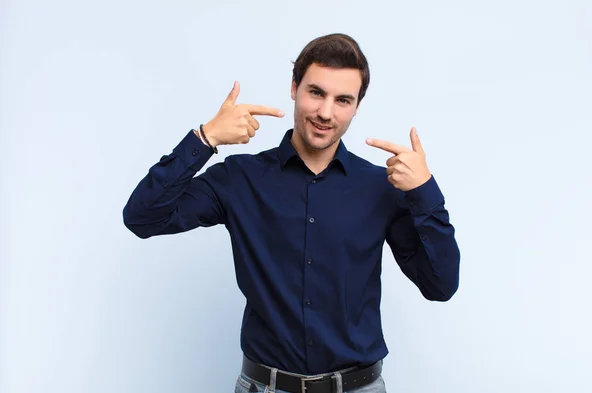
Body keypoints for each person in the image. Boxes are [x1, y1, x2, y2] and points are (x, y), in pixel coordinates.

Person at [123, 33, 460, 393]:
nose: (326, 113)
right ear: (294, 88)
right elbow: (143, 218)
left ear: (357, 107)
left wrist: (425, 193)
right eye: (316, 92)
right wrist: (204, 139)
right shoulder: (240, 179)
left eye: (342, 100)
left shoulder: (382, 188)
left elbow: (440, 286)